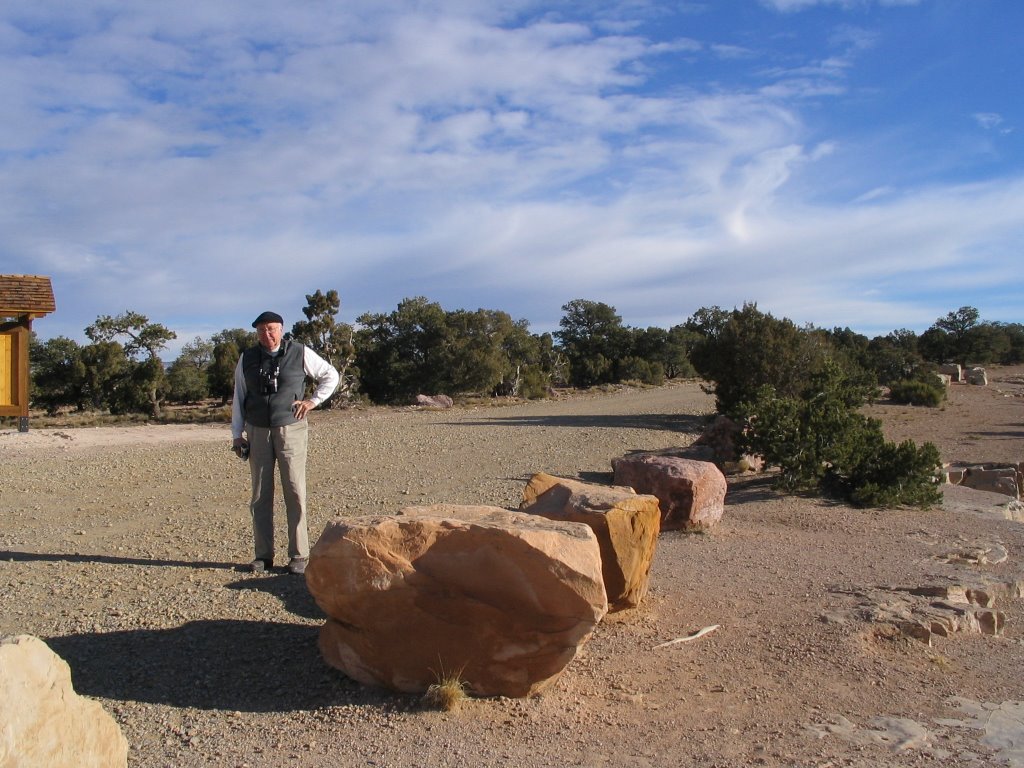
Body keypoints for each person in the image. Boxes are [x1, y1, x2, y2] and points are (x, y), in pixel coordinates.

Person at [231, 311, 339, 574]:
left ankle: (299, 555)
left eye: (271, 329)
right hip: (257, 430)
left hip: (291, 428)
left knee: (294, 490)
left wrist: (312, 401)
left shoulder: (299, 352)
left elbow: (330, 375)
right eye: (261, 330)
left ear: (281, 329)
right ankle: (263, 555)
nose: (266, 335)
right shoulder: (247, 358)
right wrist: (237, 433)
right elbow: (239, 395)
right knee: (260, 494)